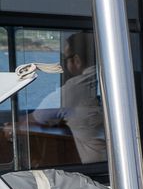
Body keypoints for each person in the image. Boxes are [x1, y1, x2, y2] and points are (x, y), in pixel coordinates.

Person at [26, 31, 106, 164]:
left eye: (65, 58)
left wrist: (11, 125)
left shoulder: (73, 89)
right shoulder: (113, 79)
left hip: (99, 169)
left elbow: (36, 118)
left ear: (76, 60)